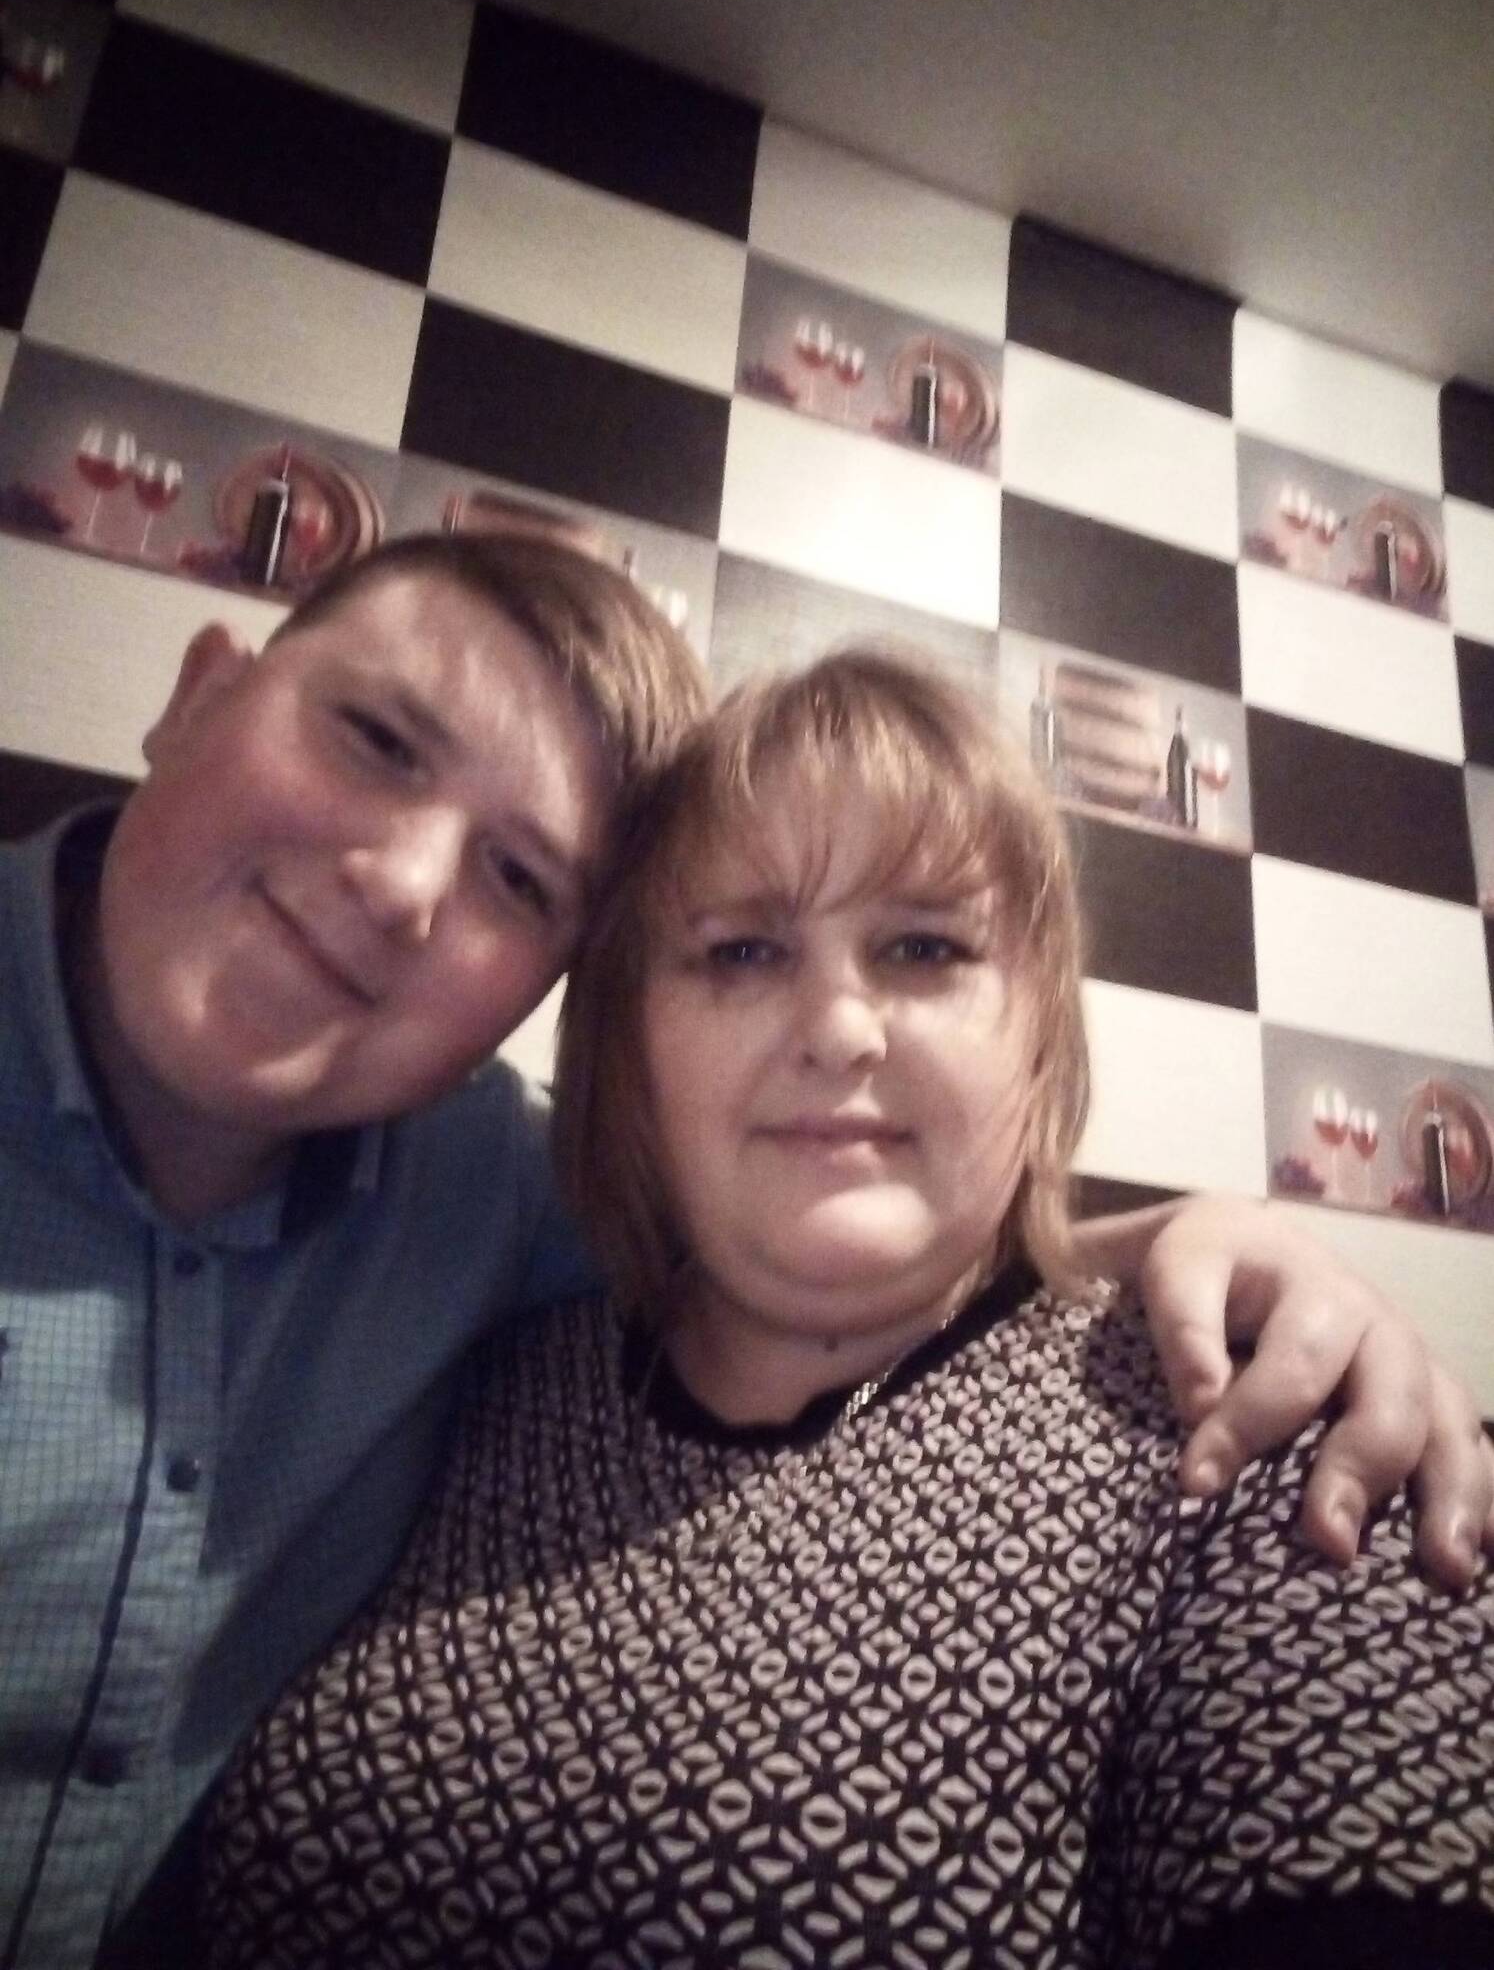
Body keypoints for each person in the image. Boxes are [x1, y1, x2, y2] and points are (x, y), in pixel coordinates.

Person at [0, 542, 1486, 1969]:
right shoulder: (512, 1358)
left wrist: (1201, 1240)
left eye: (923, 948)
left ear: (1041, 1032)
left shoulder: (1261, 1437)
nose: (836, 1027)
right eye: (742, 951)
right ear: (630, 1047)